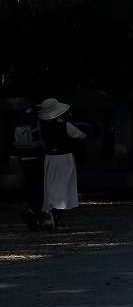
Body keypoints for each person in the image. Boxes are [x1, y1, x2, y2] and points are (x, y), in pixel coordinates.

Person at [38, 98, 87, 230]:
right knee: (64, 187)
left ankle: (51, 213)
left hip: (49, 157)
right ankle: (57, 218)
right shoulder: (65, 125)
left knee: (51, 186)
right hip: (64, 157)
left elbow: (42, 143)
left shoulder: (42, 126)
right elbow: (80, 136)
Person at [12, 100, 46, 230]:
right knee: (39, 186)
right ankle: (35, 211)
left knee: (28, 184)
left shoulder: (19, 118)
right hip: (36, 156)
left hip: (22, 156)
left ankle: (27, 205)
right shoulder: (39, 118)